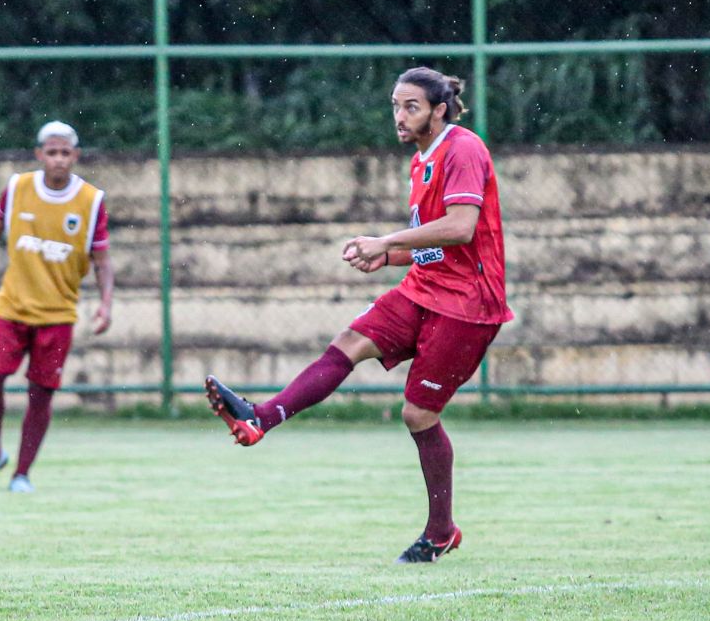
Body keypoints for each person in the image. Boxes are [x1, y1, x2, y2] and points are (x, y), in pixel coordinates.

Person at [204, 66, 513, 563]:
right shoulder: (420, 162)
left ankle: (440, 531)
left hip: (468, 304)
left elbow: (459, 228)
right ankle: (260, 418)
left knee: (418, 414)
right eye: (395, 105)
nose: (399, 115)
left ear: (439, 110)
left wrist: (386, 240)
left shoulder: (464, 149)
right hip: (425, 288)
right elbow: (433, 247)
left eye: (410, 106)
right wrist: (386, 257)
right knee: (350, 342)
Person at [0, 120, 114, 493]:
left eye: (65, 153)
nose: (58, 159)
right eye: (51, 152)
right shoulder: (18, 188)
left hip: (58, 315)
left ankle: (22, 474)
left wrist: (106, 304)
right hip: (11, 309)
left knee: (40, 393)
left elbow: (103, 260)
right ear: (39, 154)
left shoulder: (91, 201)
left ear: (75, 156)